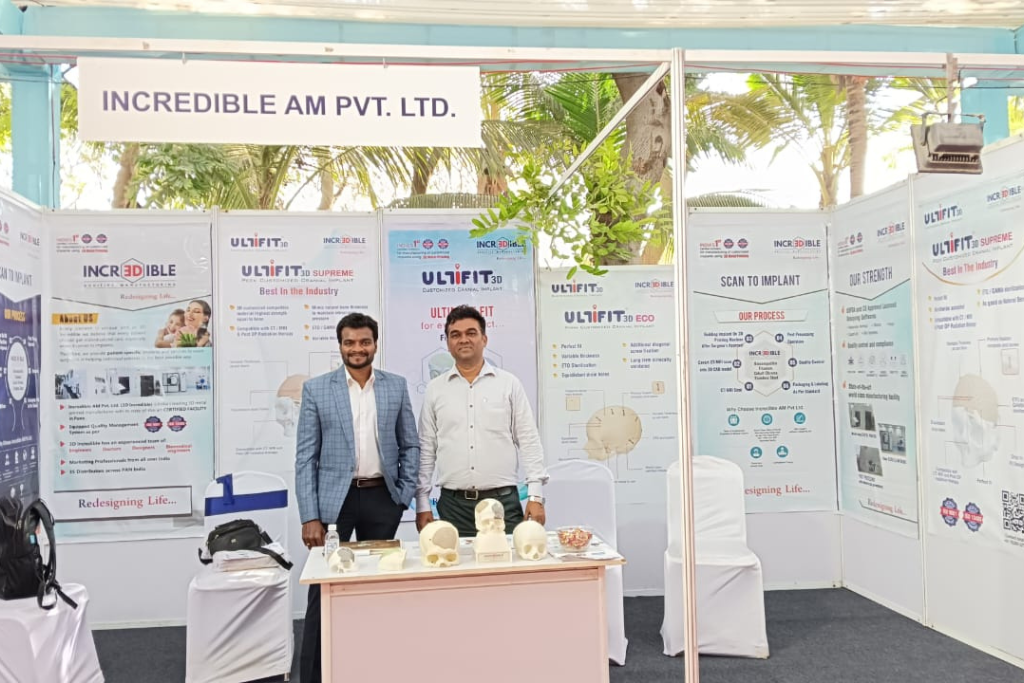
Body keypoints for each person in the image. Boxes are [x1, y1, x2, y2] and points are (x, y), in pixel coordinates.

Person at [295, 312, 419, 683]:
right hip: (334, 503)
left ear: (375, 344)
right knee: (323, 589)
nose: (357, 349)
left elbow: (410, 443)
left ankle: (373, 668)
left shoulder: (396, 386)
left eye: (364, 341)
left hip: (382, 498)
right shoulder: (317, 389)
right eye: (349, 342)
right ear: (340, 345)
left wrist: (403, 494)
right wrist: (309, 516)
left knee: (377, 585)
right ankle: (314, 676)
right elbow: (306, 457)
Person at [415, 305, 547, 537]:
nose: (463, 339)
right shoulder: (435, 390)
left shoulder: (508, 384)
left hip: (502, 504)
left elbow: (528, 441)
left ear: (484, 339)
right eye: (455, 334)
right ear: (448, 343)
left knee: (507, 561)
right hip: (453, 507)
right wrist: (422, 502)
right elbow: (427, 448)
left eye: (471, 333)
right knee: (455, 561)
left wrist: (535, 496)